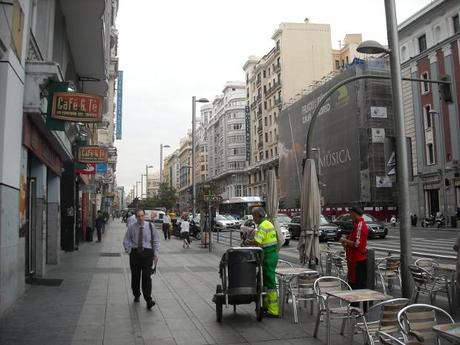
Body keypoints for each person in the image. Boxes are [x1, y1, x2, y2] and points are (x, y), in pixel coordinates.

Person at [123, 209, 160, 310]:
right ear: (135, 217)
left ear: (145, 216)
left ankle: (148, 300)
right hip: (135, 253)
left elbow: (156, 240)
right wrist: (129, 250)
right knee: (135, 276)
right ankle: (136, 294)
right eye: (138, 216)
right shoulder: (132, 227)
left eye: (142, 216)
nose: (140, 218)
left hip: (147, 253)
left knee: (147, 276)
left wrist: (156, 253)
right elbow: (126, 240)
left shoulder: (150, 226)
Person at [246, 207, 279, 318]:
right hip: (270, 255)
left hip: (268, 256)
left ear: (258, 215)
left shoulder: (263, 226)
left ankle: (273, 310)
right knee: (264, 281)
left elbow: (257, 242)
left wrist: (248, 242)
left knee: (270, 283)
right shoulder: (268, 223)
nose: (253, 218)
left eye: (253, 216)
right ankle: (265, 306)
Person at [339, 206, 369, 308]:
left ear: (354, 213)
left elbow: (357, 244)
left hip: (358, 260)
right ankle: (355, 307)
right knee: (354, 284)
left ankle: (359, 308)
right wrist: (346, 239)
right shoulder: (356, 225)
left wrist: (344, 241)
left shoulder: (360, 225)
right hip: (353, 260)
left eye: (351, 213)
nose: (350, 216)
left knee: (358, 285)